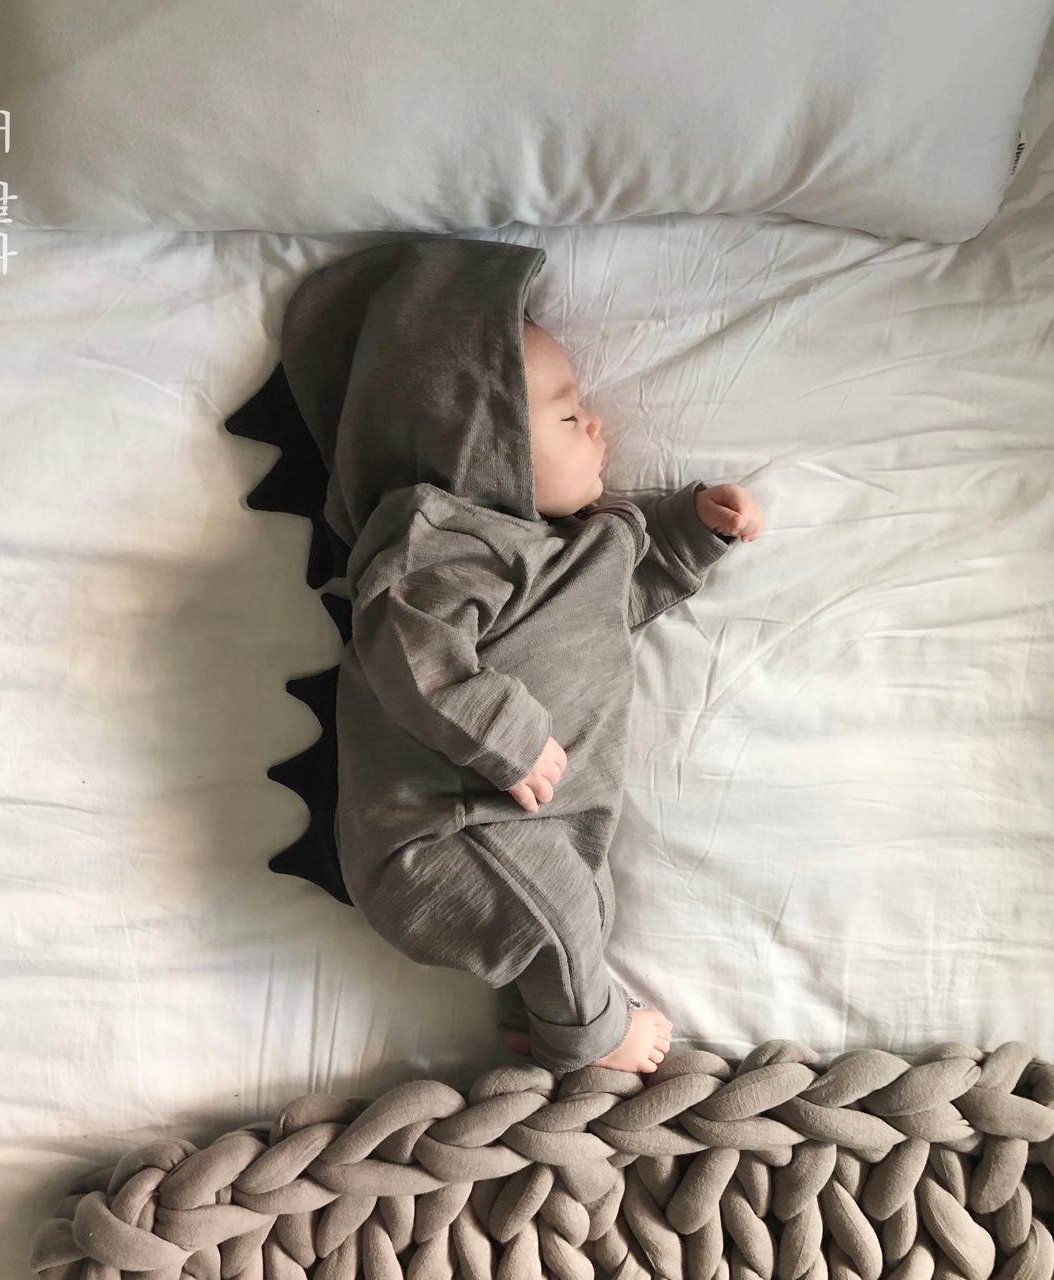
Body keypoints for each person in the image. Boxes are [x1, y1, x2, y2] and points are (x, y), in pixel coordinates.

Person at [277, 237, 763, 1074]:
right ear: (482, 446)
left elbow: (626, 584)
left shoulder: (574, 551)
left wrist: (694, 529)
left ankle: (537, 1020)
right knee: (563, 911)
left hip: (538, 825)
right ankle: (590, 1038)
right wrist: (502, 730)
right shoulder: (440, 542)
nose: (596, 426)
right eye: (569, 417)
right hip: (441, 832)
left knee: (582, 912)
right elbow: (406, 640)